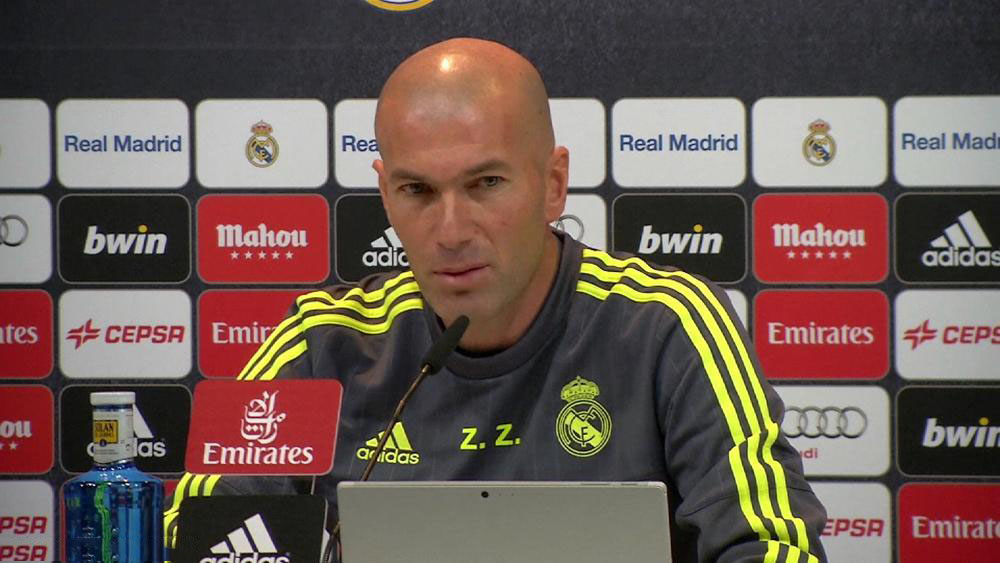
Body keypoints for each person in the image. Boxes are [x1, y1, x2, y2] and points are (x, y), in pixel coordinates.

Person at [166, 37, 827, 562]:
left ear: (554, 184)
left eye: (485, 183)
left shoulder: (670, 322)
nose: (451, 231)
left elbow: (774, 546)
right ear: (386, 194)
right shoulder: (319, 338)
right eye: (418, 191)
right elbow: (195, 538)